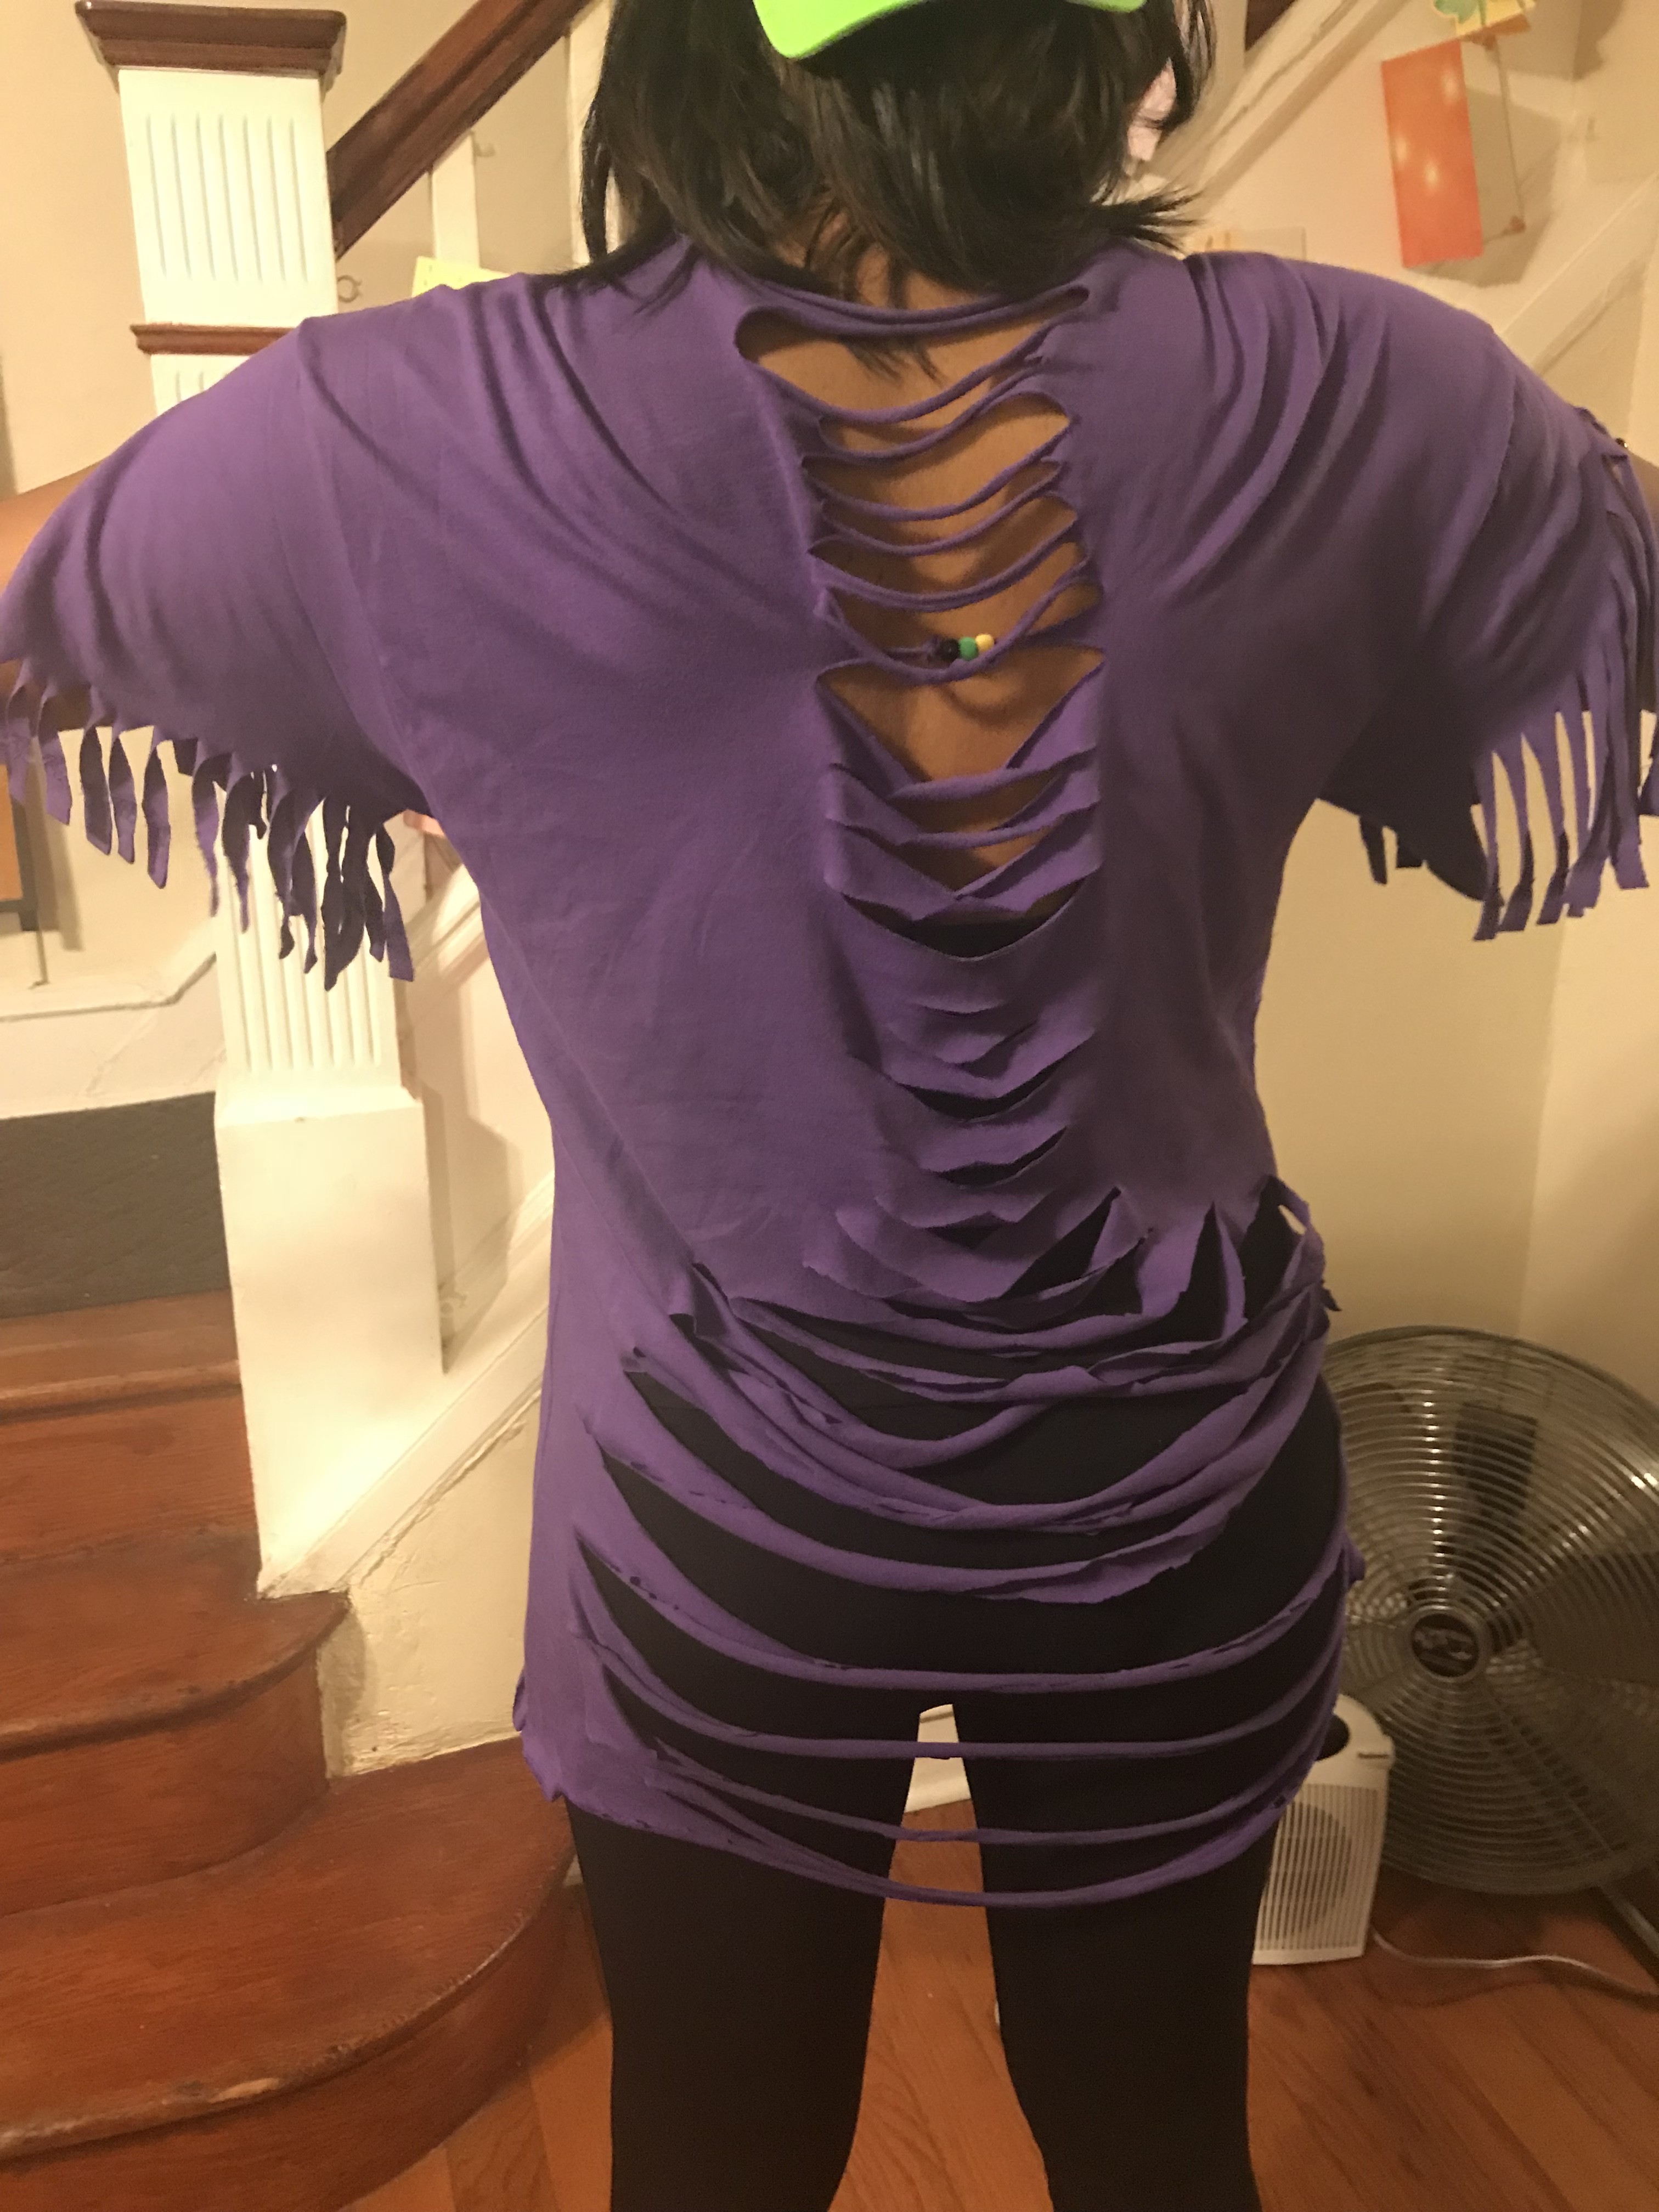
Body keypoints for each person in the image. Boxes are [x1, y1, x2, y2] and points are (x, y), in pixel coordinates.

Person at [3, 1, 1657, 2204]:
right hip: (1168, 1486)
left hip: (714, 1521)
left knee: (716, 2153)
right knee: (1161, 2142)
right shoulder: (1360, 390)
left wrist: (499, 701)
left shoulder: (393, 434)